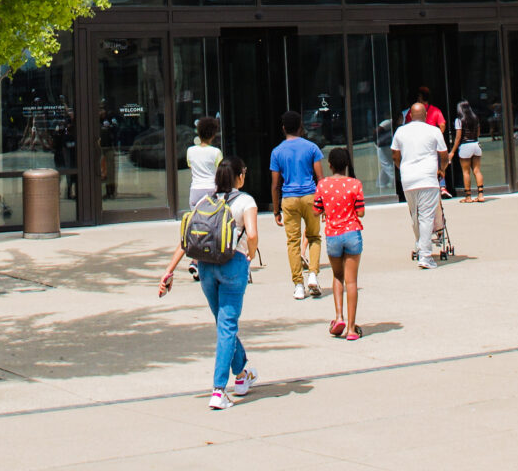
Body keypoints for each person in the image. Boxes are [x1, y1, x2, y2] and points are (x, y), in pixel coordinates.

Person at [157, 155, 261, 410]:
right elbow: (253, 233)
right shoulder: (246, 201)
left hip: (205, 268)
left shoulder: (206, 201)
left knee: (223, 323)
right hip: (232, 266)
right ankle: (218, 390)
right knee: (227, 325)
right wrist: (249, 255)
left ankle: (242, 373)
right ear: (239, 176)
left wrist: (168, 271)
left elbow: (186, 241)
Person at [268, 110, 328, 301]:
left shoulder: (277, 151)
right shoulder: (312, 148)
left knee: (293, 242)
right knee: (314, 237)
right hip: (310, 195)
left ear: (283, 128)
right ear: (301, 127)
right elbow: (320, 177)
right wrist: (323, 203)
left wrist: (276, 210)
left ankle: (298, 285)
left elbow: (275, 184)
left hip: (289, 199)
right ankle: (313, 274)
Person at [390, 99, 449, 269]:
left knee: (415, 215)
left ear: (409, 116)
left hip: (408, 178)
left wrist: (402, 168)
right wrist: (441, 169)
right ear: (425, 115)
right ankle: (425, 255)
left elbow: (395, 155)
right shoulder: (433, 131)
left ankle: (420, 244)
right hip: (427, 178)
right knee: (426, 217)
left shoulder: (400, 132)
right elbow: (443, 155)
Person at [317, 144, 367, 341]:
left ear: (329, 165)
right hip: (352, 233)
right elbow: (361, 211)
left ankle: (339, 317)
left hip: (332, 234)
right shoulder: (355, 184)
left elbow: (317, 208)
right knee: (352, 281)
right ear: (347, 164)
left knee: (337, 277)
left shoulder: (323, 185)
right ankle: (352, 329)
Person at [184, 115, 222, 208]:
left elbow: (191, 168)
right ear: (213, 135)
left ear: (199, 133)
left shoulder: (190, 151)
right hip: (211, 189)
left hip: (195, 190)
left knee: (196, 219)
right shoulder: (216, 152)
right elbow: (220, 172)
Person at [454, 100, 487, 202]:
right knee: (477, 170)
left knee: (466, 172)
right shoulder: (475, 118)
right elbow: (478, 133)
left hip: (465, 145)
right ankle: (481, 195)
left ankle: (468, 196)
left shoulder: (459, 120)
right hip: (476, 144)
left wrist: (453, 151)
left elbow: (458, 137)